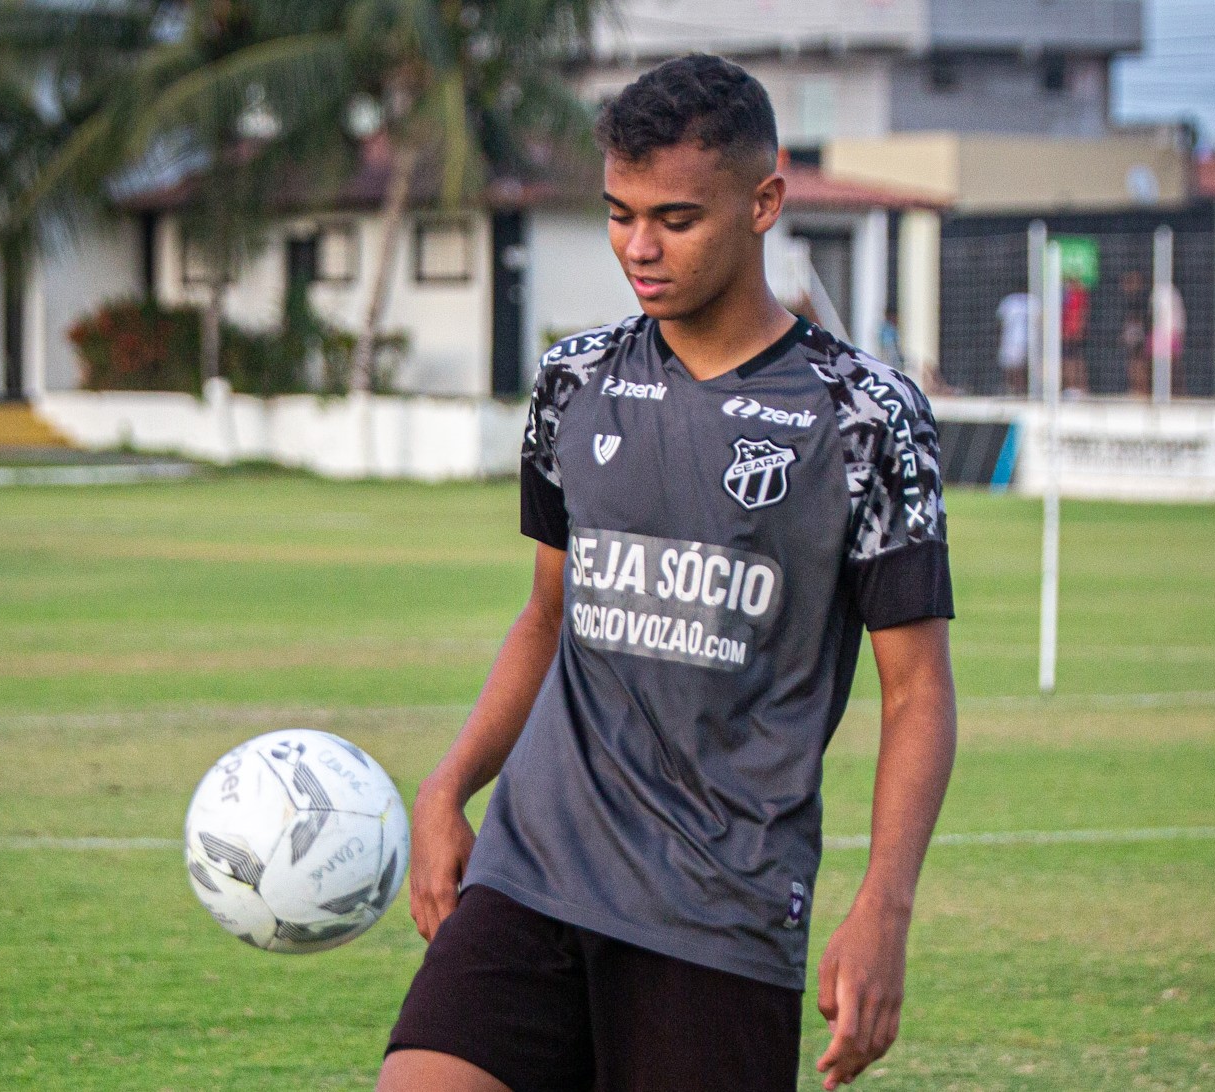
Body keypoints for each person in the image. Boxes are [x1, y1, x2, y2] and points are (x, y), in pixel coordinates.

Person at [377, 54, 957, 1091]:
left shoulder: (865, 417)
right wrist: (448, 786)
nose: (638, 248)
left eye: (676, 219)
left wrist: (884, 906)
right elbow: (549, 617)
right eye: (618, 213)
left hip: (716, 911)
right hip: (533, 869)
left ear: (764, 202)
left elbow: (916, 692)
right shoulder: (575, 381)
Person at [996, 291, 1031, 397]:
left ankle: (1021, 390)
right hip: (1011, 339)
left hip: (1026, 340)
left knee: (1020, 368)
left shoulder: (1031, 301)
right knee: (1011, 366)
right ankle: (1013, 389)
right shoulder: (1009, 301)